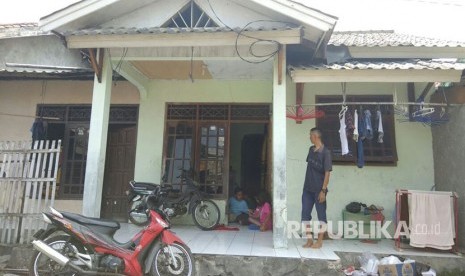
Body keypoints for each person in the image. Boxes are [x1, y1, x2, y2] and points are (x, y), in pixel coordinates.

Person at [302, 127, 332, 249]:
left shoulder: (326, 153)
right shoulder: (310, 149)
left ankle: (319, 241)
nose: (309, 137)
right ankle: (309, 239)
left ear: (315, 137)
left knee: (321, 216)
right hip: (307, 189)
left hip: (319, 190)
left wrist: (323, 191)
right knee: (305, 214)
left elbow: (327, 173)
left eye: (310, 135)